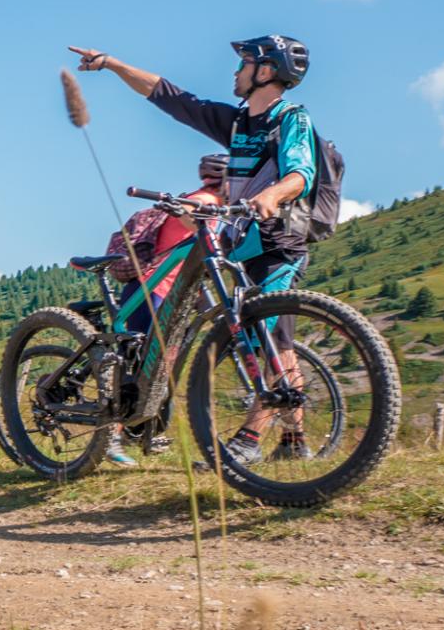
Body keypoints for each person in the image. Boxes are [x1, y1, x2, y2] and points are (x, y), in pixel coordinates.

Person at [70, 36, 318, 465]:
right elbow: (168, 95)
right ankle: (293, 443)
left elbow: (301, 171)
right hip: (242, 246)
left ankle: (249, 441)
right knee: (267, 340)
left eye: (242, 65)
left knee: (271, 339)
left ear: (264, 72)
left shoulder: (290, 118)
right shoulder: (238, 123)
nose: (234, 73)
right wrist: (112, 64)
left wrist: (274, 195)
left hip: (277, 243)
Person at [103, 155, 227, 466]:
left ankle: (144, 431)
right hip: (153, 287)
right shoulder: (206, 199)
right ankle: (111, 436)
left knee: (160, 365)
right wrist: (195, 221)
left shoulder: (220, 206)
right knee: (137, 362)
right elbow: (186, 209)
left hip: (175, 292)